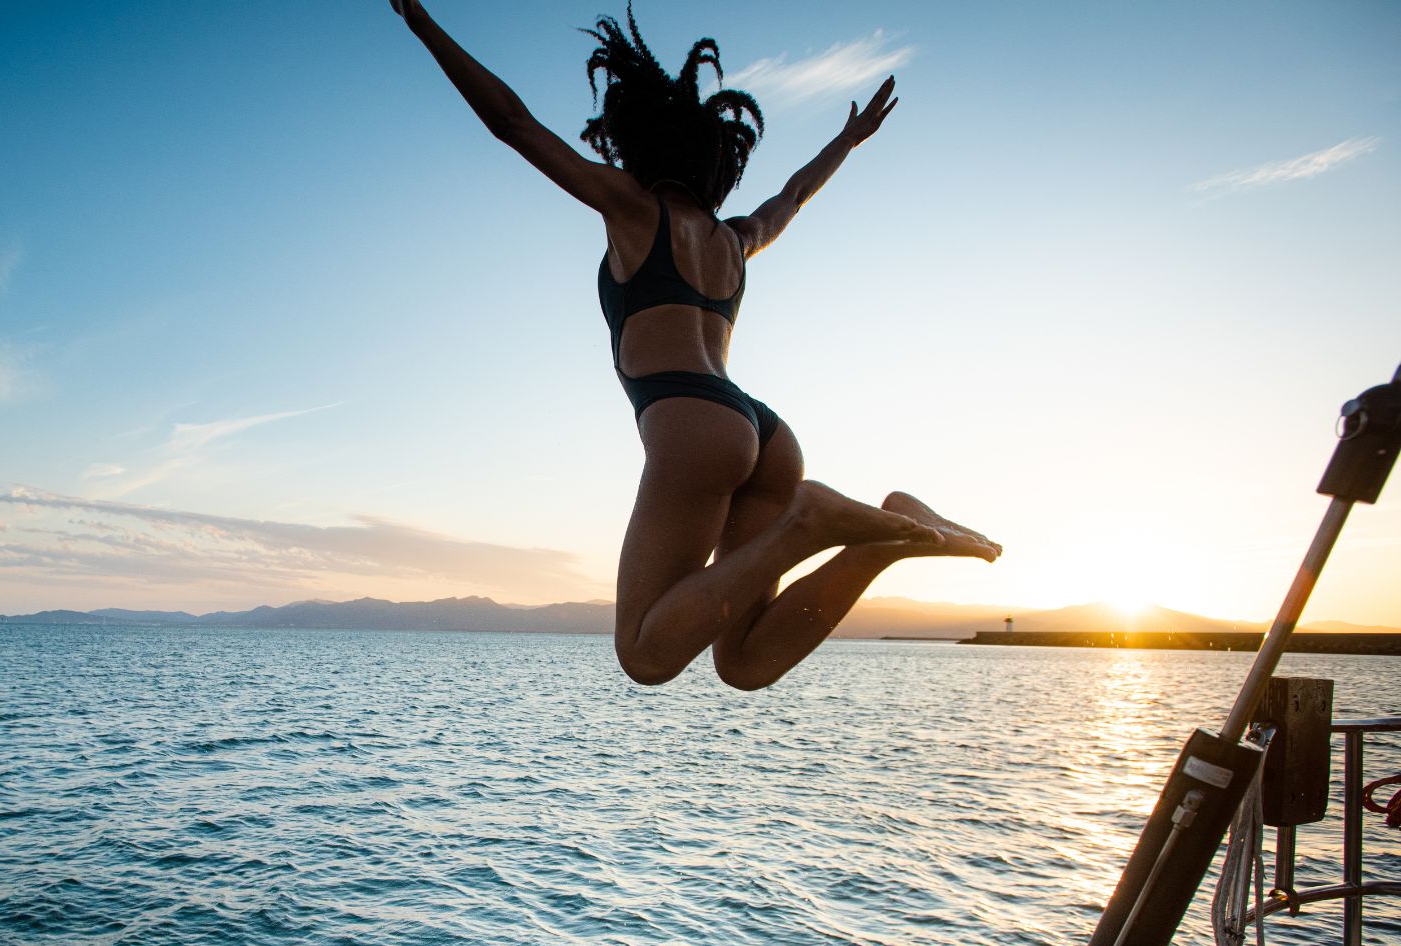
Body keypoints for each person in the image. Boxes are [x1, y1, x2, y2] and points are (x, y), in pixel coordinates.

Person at [392, 1, 1000, 689]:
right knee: (743, 662)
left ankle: (809, 519)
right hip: (765, 436)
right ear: (717, 162)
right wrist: (848, 141)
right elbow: (793, 195)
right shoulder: (734, 239)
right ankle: (888, 535)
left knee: (645, 654)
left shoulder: (632, 209)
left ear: (637, 143)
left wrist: (421, 25)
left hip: (692, 422)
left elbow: (512, 122)